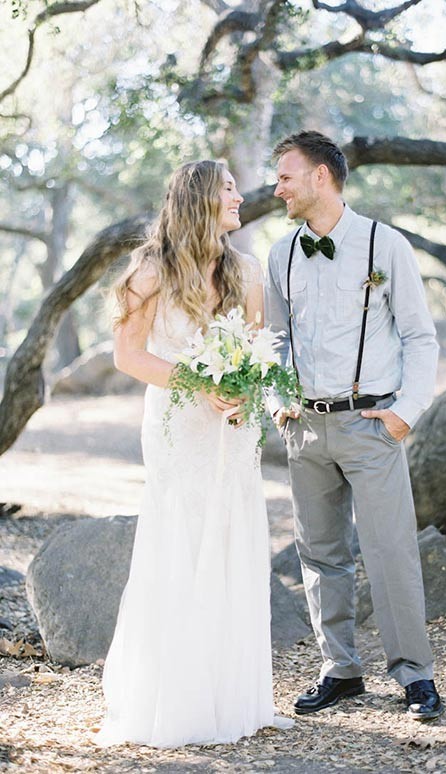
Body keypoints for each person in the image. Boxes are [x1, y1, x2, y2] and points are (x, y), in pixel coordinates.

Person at [97, 160, 286, 747]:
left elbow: (255, 350)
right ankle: (175, 697)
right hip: (178, 427)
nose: (239, 197)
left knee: (231, 538)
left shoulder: (246, 269)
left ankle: (229, 695)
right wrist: (198, 383)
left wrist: (244, 394)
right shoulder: (151, 269)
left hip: (232, 429)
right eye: (228, 188)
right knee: (180, 540)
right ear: (199, 198)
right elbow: (128, 356)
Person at [265, 131, 443, 721]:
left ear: (320, 176)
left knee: (391, 552)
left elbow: (420, 336)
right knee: (320, 556)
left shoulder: (384, 244)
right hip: (306, 429)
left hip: (371, 424)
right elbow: (273, 341)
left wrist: (404, 412)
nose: (277, 188)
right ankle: (339, 670)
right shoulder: (281, 254)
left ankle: (414, 675)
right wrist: (277, 402)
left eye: (286, 177)